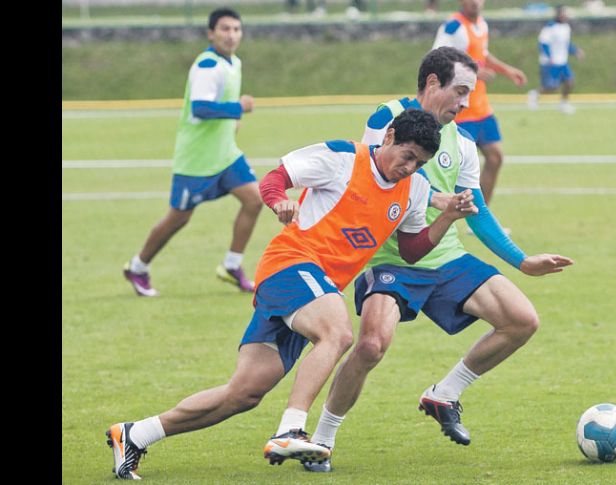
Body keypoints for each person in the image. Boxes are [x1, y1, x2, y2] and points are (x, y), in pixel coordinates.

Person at [105, 109, 479, 480]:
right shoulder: (342, 157)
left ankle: (136, 434)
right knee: (339, 333)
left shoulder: (414, 189)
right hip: (291, 265)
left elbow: (411, 250)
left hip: (316, 289)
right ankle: (290, 431)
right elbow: (276, 177)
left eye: (420, 163)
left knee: (244, 393)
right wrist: (278, 199)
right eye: (408, 156)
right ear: (390, 136)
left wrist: (446, 218)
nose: (410, 167)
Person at [303, 46, 573, 473]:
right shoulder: (388, 116)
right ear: (432, 84)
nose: (466, 103)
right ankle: (322, 439)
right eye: (461, 91)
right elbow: (384, 176)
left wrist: (522, 261)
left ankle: (444, 394)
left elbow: (477, 211)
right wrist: (439, 198)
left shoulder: (464, 142)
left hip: (445, 256)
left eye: (470, 93)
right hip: (392, 258)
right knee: (371, 345)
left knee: (523, 319)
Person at [122, 8, 263, 297]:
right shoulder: (207, 66)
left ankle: (231, 265)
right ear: (211, 33)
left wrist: (232, 122)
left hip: (225, 155)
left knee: (254, 200)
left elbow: (217, 104)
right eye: (225, 29)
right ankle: (137, 267)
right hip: (197, 161)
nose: (231, 35)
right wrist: (238, 108)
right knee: (179, 218)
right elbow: (200, 107)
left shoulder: (233, 62)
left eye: (236, 29)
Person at [432, 0, 528, 206]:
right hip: (460, 110)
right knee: (450, 171)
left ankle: (481, 214)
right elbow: (437, 58)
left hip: (482, 108)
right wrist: (471, 70)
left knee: (495, 158)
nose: (474, 2)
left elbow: (482, 55)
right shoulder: (454, 27)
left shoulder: (482, 24)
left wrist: (507, 70)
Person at [527, 5, 585, 114]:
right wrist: (550, 57)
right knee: (551, 87)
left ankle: (564, 103)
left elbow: (566, 44)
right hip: (550, 63)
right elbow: (543, 44)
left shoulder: (566, 27)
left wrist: (576, 51)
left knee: (569, 81)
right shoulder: (549, 27)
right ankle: (535, 94)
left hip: (562, 61)